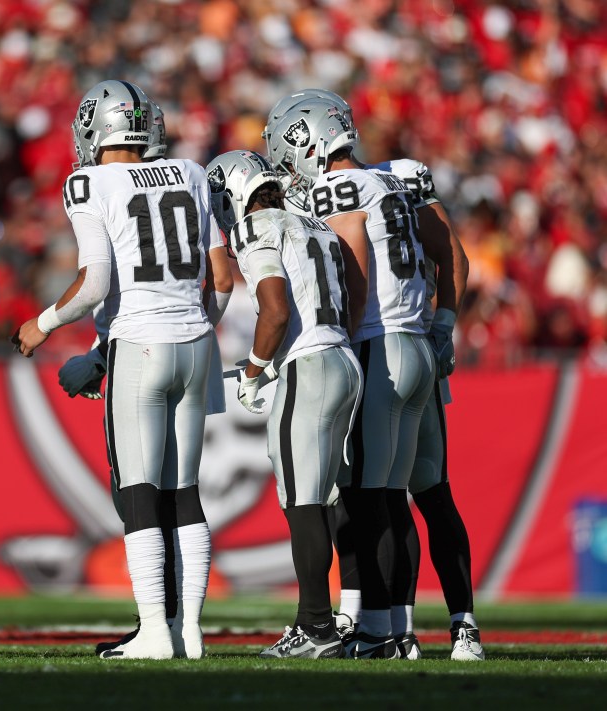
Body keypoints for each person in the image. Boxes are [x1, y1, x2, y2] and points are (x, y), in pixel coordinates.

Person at [14, 80, 230, 660]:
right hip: (194, 343)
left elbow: (97, 285)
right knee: (184, 493)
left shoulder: (88, 181)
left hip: (141, 346)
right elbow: (225, 279)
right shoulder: (190, 172)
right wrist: (195, 326)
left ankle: (156, 633)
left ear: (94, 128)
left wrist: (42, 323)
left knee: (137, 493)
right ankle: (189, 631)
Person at [266, 99, 434, 659]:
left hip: (377, 342)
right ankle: (397, 630)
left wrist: (339, 332)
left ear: (306, 142)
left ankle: (379, 629)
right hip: (416, 341)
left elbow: (355, 270)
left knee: (367, 498)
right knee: (388, 497)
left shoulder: (343, 189)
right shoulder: (385, 182)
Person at [206, 149, 362, 658]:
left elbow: (274, 309)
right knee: (332, 497)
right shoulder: (313, 223)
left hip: (311, 366)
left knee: (302, 502)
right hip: (343, 358)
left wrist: (253, 369)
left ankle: (315, 627)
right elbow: (346, 294)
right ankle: (357, 616)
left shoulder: (257, 227)